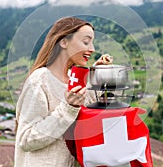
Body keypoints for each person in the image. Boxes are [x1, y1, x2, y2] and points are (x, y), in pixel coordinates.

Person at [14, 16, 100, 167]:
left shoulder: (72, 81)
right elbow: (26, 139)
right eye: (86, 42)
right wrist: (68, 109)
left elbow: (89, 117)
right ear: (64, 41)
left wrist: (98, 75)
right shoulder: (40, 80)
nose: (92, 49)